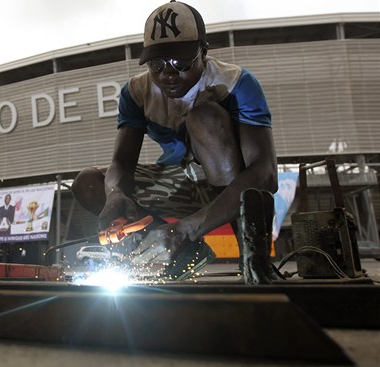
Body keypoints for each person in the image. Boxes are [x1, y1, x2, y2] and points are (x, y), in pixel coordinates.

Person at [71, 1, 277, 283]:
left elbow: (265, 173)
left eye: (181, 64)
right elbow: (121, 162)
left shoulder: (236, 84)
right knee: (90, 183)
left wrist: (189, 226)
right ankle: (185, 251)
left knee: (204, 118)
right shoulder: (136, 93)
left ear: (203, 52)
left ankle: (250, 252)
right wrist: (116, 192)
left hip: (227, 189)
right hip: (178, 182)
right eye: (157, 65)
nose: (168, 75)